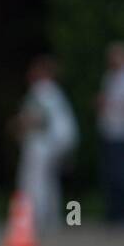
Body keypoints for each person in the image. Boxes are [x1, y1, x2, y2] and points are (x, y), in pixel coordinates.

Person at [16, 57, 78, 230]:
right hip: (54, 143)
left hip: (43, 143)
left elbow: (38, 118)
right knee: (50, 181)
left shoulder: (42, 90)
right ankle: (50, 218)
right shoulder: (55, 91)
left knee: (36, 180)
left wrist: (19, 125)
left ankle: (37, 218)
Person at [98, 42, 124, 223]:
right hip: (108, 131)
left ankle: (120, 213)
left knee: (119, 174)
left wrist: (109, 105)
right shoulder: (109, 77)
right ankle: (113, 213)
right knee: (110, 174)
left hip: (121, 132)